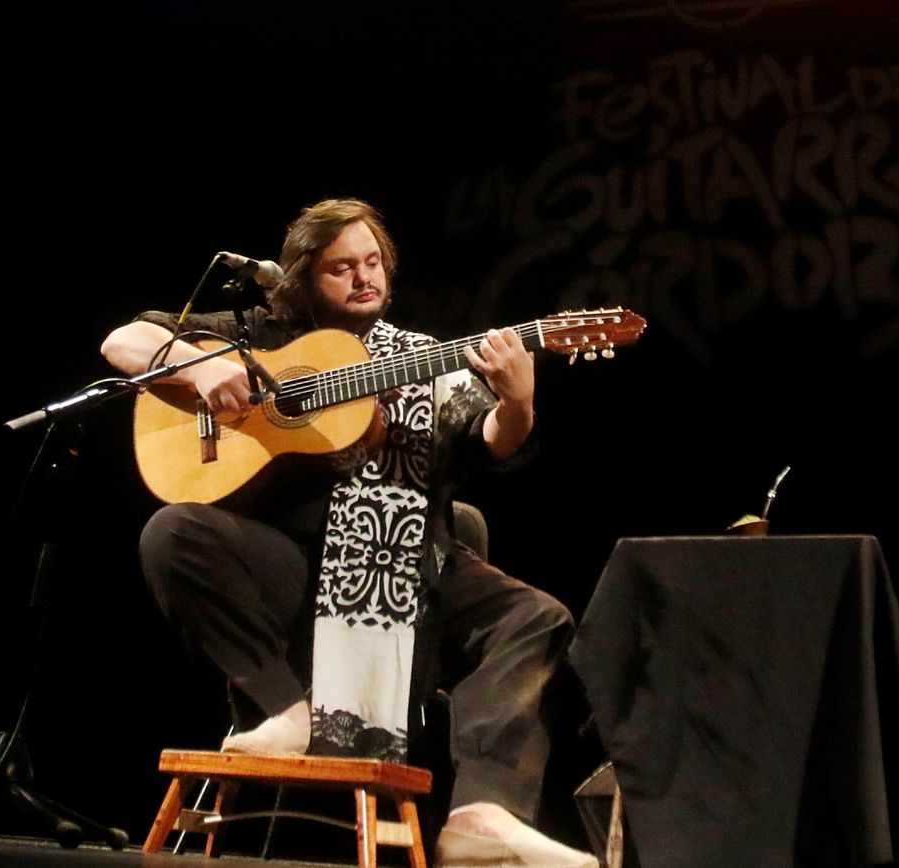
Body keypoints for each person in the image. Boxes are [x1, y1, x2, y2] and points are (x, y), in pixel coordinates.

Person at [101, 198, 597, 868]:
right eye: (342, 268)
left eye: (373, 263)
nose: (365, 278)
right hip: (291, 569)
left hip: (409, 574)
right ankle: (287, 712)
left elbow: (492, 441)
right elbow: (122, 341)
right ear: (306, 279)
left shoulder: (428, 361)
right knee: (173, 534)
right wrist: (204, 368)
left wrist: (518, 401)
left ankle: (485, 815)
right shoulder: (268, 334)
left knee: (535, 617)